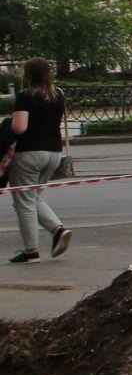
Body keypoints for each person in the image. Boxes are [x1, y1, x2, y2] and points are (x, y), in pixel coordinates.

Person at [9, 58, 72, 264]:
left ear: (28, 74)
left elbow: (19, 127)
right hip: (53, 152)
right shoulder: (58, 94)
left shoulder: (25, 95)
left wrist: (9, 123)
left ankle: (31, 250)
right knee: (32, 197)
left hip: (29, 153)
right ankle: (57, 230)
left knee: (24, 202)